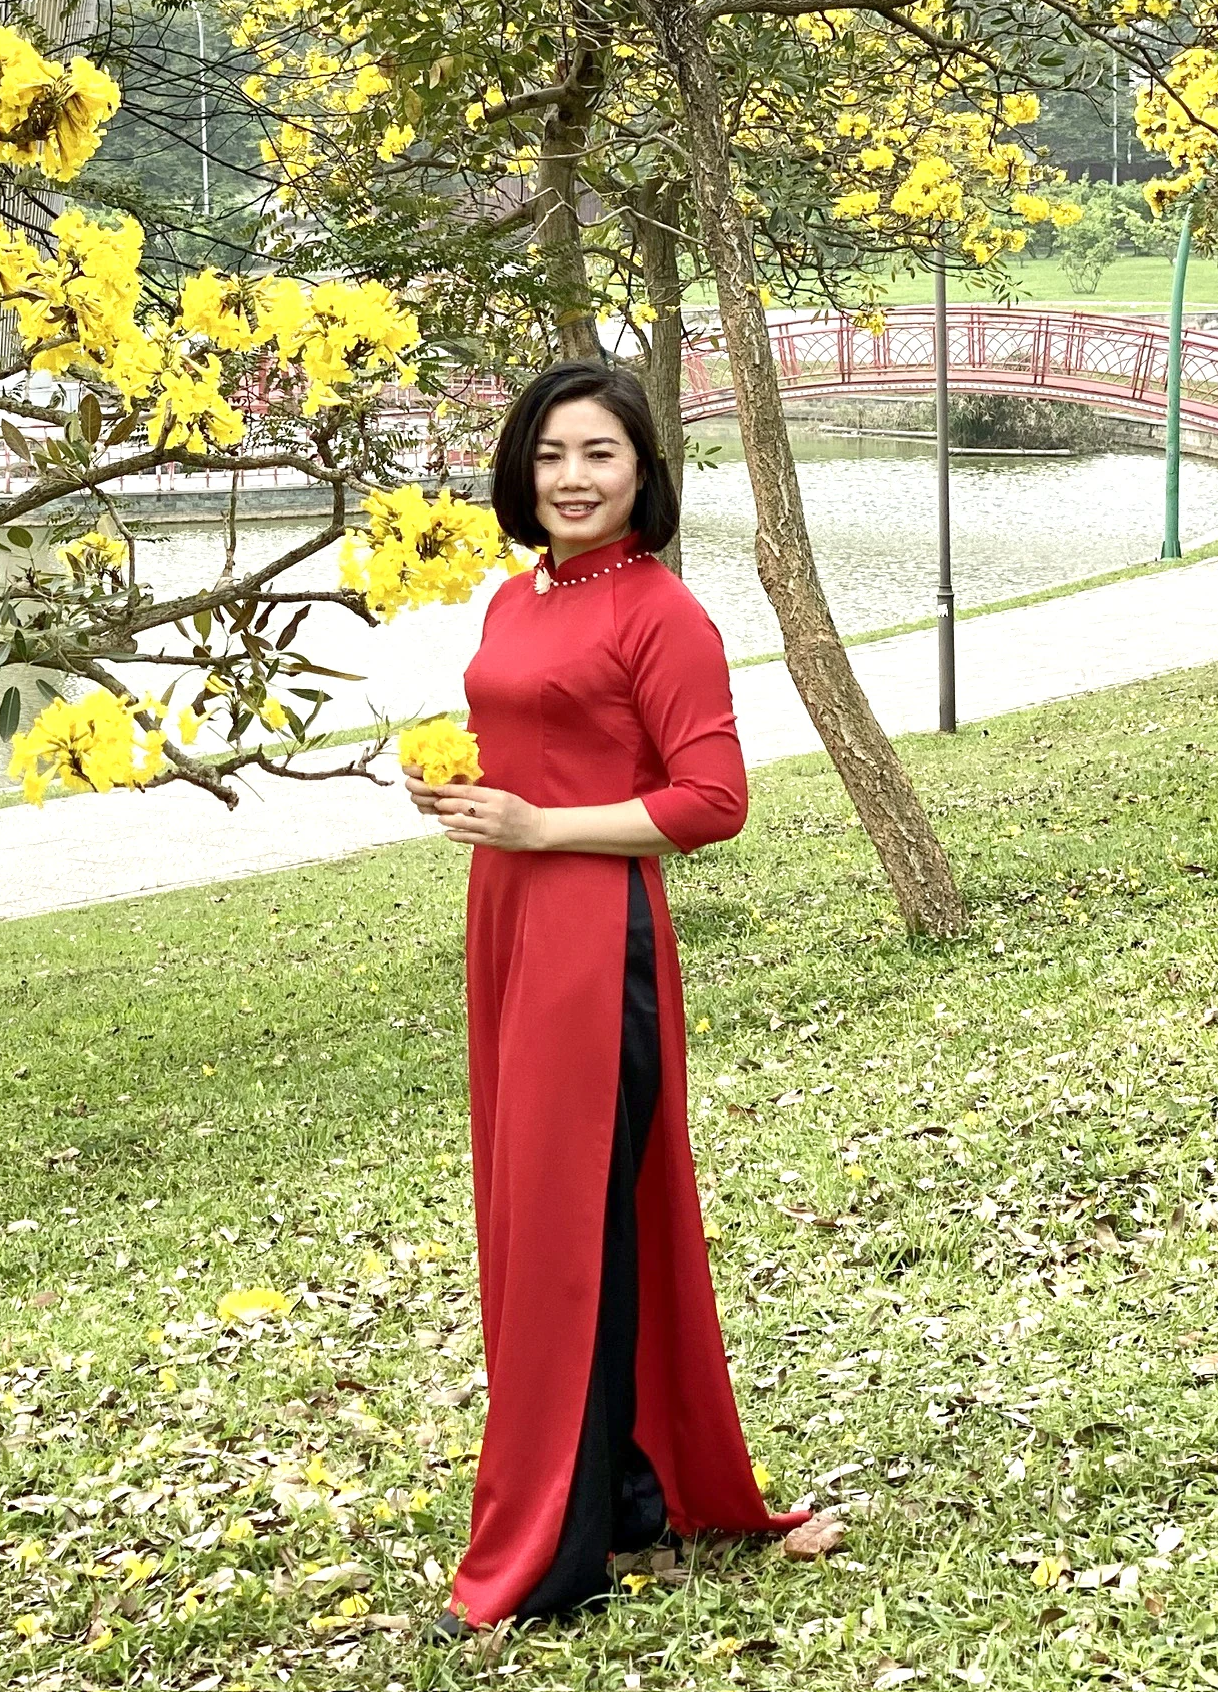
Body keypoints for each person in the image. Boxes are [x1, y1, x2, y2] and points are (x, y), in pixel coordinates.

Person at [404, 358, 808, 1635]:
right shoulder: (514, 597)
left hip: (595, 939)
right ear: (519, 469)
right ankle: (628, 1500)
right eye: (550, 455)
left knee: (569, 1231)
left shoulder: (660, 612)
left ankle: (555, 1555)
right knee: (543, 1221)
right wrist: (459, 787)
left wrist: (540, 824)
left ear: (644, 471)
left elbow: (714, 801)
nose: (571, 478)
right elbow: (531, 746)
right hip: (508, 922)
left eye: (599, 455)